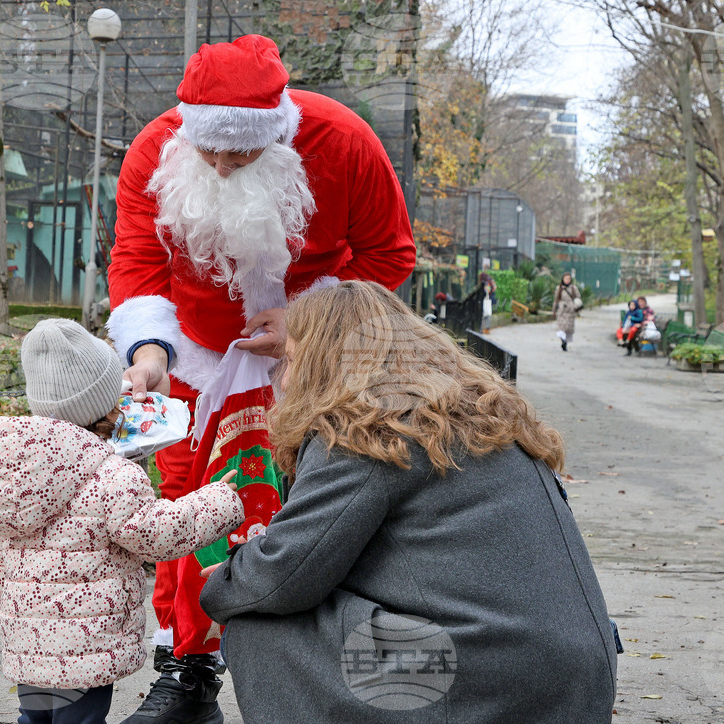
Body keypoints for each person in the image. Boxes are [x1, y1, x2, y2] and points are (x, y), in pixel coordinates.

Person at [105, 35, 416, 723]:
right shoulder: (155, 149)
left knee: (320, 497)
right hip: (195, 352)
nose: (219, 165)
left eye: (239, 153)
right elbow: (136, 257)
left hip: (317, 354)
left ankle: (320, 671)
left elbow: (389, 254)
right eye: (208, 150)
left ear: (275, 134)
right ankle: (187, 672)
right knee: (188, 502)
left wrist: (306, 322)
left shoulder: (344, 141)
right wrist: (149, 350)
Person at [199, 281, 618, 723]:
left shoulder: (366, 429)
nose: (284, 379)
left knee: (260, 623)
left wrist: (227, 580)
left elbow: (286, 575)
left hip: (490, 688)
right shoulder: (479, 411)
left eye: (292, 359)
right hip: (576, 687)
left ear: (321, 361)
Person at [0, 319, 244, 724]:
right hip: (84, 647)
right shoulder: (110, 475)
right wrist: (217, 501)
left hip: (30, 646)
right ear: (103, 400)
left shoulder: (8, 468)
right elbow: (156, 534)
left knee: (35, 718)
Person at [553, 271, 582, 351]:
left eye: (569, 279)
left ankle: (565, 342)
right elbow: (556, 299)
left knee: (568, 329)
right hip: (562, 310)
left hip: (570, 310)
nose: (567, 280)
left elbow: (578, 298)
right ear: (563, 279)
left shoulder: (573, 288)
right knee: (560, 328)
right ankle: (563, 340)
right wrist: (554, 310)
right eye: (566, 278)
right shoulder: (559, 288)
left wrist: (575, 306)